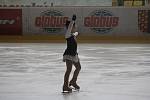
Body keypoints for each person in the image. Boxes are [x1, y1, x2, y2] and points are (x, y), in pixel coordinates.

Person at [62, 14, 81, 92]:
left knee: (78, 67)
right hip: (69, 55)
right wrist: (73, 21)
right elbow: (70, 27)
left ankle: (73, 81)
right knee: (69, 70)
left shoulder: (73, 34)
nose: (75, 27)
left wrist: (77, 33)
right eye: (74, 26)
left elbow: (76, 33)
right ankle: (65, 86)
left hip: (74, 54)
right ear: (71, 27)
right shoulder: (67, 35)